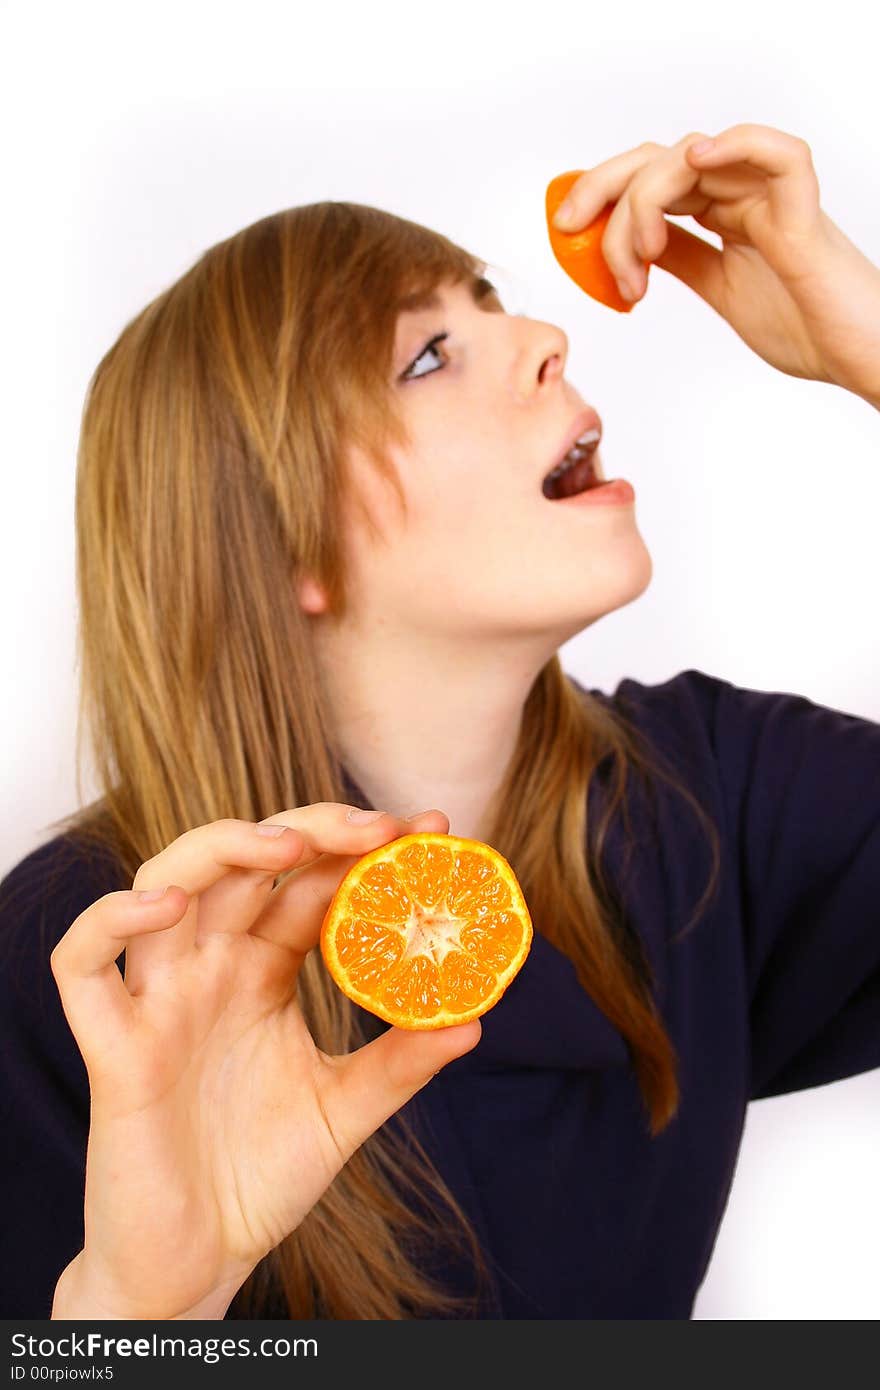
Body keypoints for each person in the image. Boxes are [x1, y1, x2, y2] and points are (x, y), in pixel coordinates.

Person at [1, 122, 879, 1322]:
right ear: (283, 533)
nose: (546, 336)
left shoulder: (714, 804)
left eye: (493, 303)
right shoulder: (90, 965)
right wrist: (145, 1307)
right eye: (428, 357)